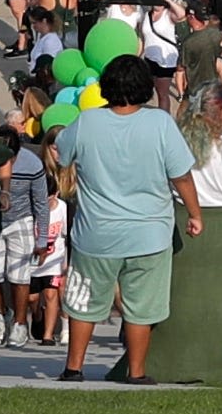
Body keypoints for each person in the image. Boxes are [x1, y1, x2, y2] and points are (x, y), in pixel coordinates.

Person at [54, 57, 198, 386]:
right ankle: (136, 371)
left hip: (96, 232)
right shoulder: (161, 123)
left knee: (83, 301)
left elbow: (60, 155)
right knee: (140, 306)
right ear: (145, 87)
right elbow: (182, 177)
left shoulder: (87, 122)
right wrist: (195, 214)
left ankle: (74, 367)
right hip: (149, 232)